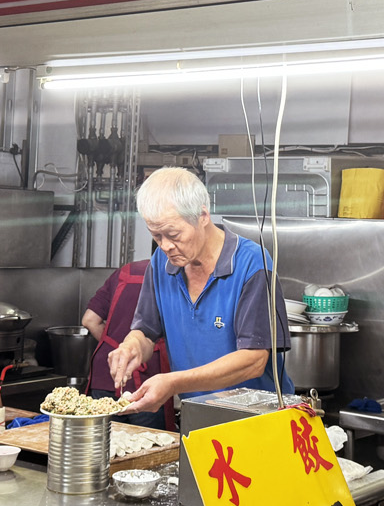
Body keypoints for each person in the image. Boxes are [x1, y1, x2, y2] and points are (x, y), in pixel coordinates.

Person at [108, 167, 292, 417]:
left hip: (259, 420)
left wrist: (173, 382)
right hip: (199, 417)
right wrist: (131, 346)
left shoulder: (252, 264)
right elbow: (146, 331)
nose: (165, 246)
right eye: (156, 236)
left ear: (202, 215)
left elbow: (254, 360)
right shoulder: (161, 264)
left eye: (173, 235)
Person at [81, 258, 172, 429]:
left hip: (106, 374)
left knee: (104, 446)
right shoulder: (174, 275)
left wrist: (119, 352)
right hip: (148, 383)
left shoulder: (125, 271)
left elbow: (89, 320)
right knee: (147, 447)